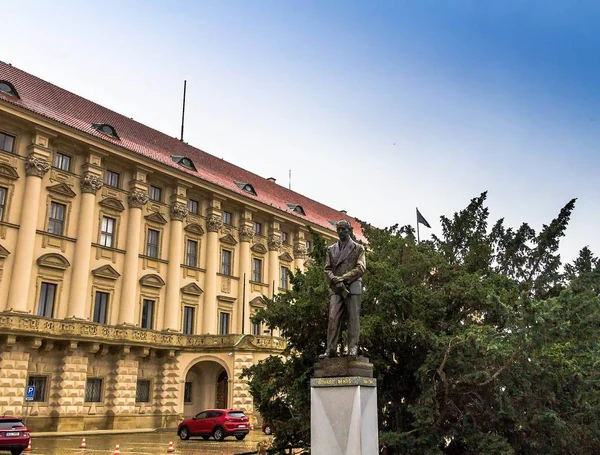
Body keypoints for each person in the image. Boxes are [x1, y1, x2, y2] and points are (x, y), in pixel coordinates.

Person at [321, 219, 366, 358]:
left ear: (349, 230)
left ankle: (353, 348)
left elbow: (361, 267)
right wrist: (334, 278)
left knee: (353, 318)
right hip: (336, 288)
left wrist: (344, 277)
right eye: (339, 229)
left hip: (352, 286)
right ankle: (331, 349)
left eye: (343, 229)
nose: (341, 231)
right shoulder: (331, 249)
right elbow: (327, 269)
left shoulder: (358, 248)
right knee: (333, 317)